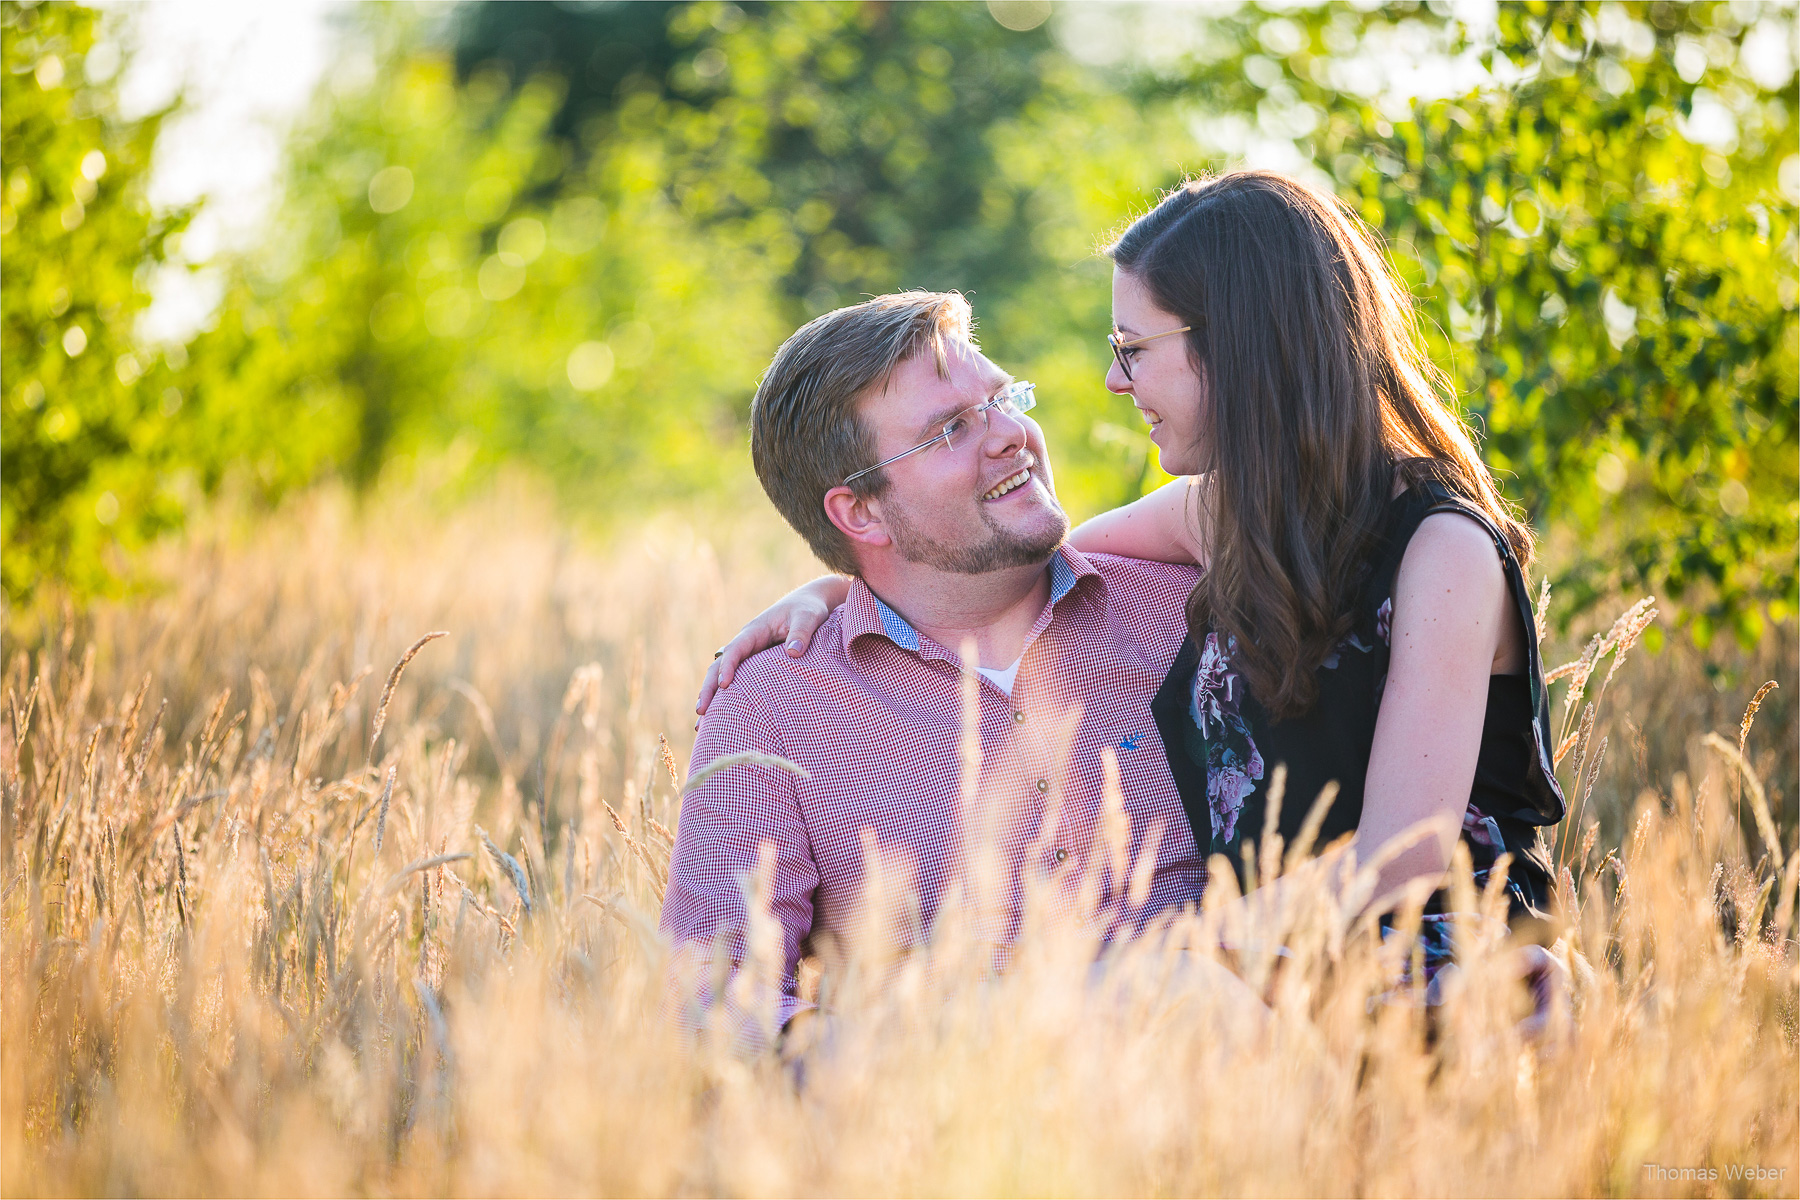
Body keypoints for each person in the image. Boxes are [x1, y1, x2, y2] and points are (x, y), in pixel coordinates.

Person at [704, 172, 1568, 992]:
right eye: (955, 426)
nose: (1115, 380)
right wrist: (844, 591)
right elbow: (1008, 559)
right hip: (1252, 988)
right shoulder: (1229, 518)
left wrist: (1154, 973)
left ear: (1239, 348)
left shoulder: (1440, 548)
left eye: (1134, 349)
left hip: (1401, 964)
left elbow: (1405, 857)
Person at [662, 290, 1220, 1049]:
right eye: (952, 429)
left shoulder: (1193, 609)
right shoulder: (772, 711)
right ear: (860, 513)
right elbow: (716, 1001)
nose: (1012, 436)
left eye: (1002, 399)